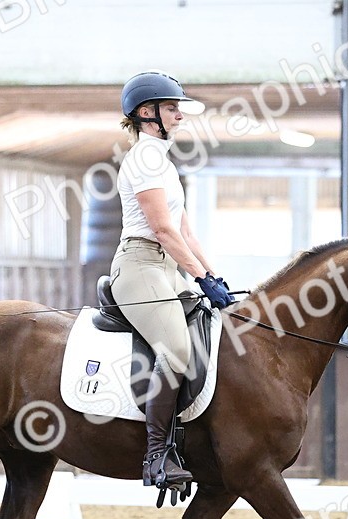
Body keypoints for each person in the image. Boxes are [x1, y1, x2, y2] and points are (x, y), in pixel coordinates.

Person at [111, 70, 235, 491]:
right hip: (140, 266)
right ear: (147, 113)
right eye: (171, 108)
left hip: (169, 268)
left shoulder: (162, 162)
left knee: (215, 332)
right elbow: (163, 231)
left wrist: (215, 277)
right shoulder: (144, 159)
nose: (179, 116)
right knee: (178, 350)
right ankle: (157, 455)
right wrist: (200, 278)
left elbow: (187, 234)